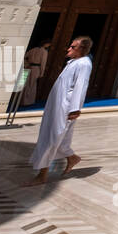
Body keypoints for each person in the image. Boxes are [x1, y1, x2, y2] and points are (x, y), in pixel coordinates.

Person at [27, 36, 92, 185]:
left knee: (52, 138)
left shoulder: (84, 64)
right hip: (57, 105)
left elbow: (80, 87)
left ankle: (42, 175)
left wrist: (75, 108)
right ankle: (72, 158)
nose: (69, 49)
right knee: (56, 137)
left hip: (66, 108)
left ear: (81, 49)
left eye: (73, 47)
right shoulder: (74, 62)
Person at [22, 41, 50, 106]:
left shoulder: (33, 49)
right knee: (32, 85)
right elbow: (43, 63)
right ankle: (28, 102)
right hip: (36, 69)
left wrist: (26, 64)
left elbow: (24, 56)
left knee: (26, 84)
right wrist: (42, 73)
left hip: (29, 67)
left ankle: (23, 101)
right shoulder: (44, 51)